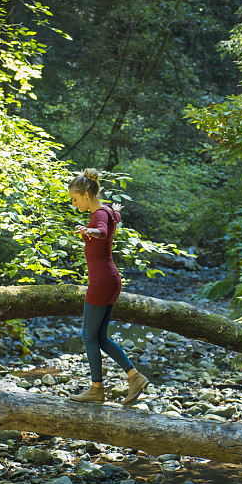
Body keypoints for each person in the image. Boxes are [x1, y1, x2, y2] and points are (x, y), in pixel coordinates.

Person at [66, 168, 149, 406]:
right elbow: (114, 219)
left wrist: (89, 230)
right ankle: (135, 376)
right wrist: (117, 212)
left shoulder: (98, 215)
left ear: (87, 195)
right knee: (100, 336)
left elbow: (101, 231)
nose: (73, 204)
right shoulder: (108, 211)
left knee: (89, 337)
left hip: (102, 281)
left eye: (74, 199)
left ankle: (96, 389)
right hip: (111, 280)